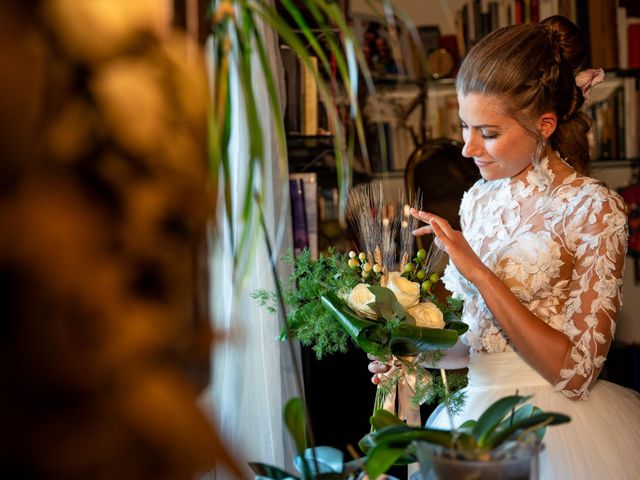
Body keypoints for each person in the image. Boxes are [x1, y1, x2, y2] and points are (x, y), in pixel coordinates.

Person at [369, 15, 640, 480]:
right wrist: (412, 350)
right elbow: (473, 345)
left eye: (489, 133)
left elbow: (576, 374)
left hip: (556, 429)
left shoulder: (594, 208)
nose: (467, 148)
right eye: (464, 127)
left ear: (545, 124)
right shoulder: (476, 201)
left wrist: (479, 272)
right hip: (470, 423)